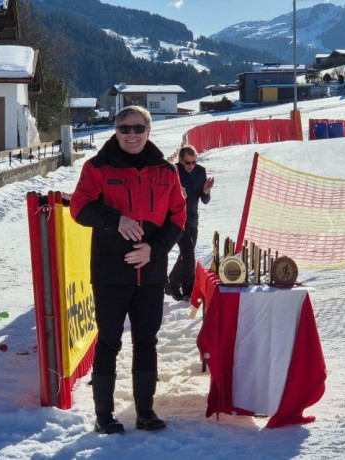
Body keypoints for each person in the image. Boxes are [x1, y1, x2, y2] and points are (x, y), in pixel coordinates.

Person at [70, 105, 186, 435]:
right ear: (115, 130)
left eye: (138, 128)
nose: (131, 135)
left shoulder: (166, 171)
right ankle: (104, 416)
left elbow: (178, 217)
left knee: (146, 341)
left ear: (149, 131)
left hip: (150, 274)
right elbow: (79, 207)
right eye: (124, 129)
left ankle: (145, 412)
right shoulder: (97, 168)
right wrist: (114, 219)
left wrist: (155, 248)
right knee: (108, 342)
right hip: (110, 274)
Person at [165, 145, 214, 301]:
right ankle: (187, 290)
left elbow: (204, 199)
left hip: (192, 219)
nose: (191, 166)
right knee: (188, 253)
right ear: (180, 160)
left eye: (194, 162)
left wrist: (206, 191)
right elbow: (164, 198)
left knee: (187, 254)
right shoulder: (173, 171)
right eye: (188, 163)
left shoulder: (200, 171)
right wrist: (179, 197)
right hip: (175, 219)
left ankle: (171, 284)